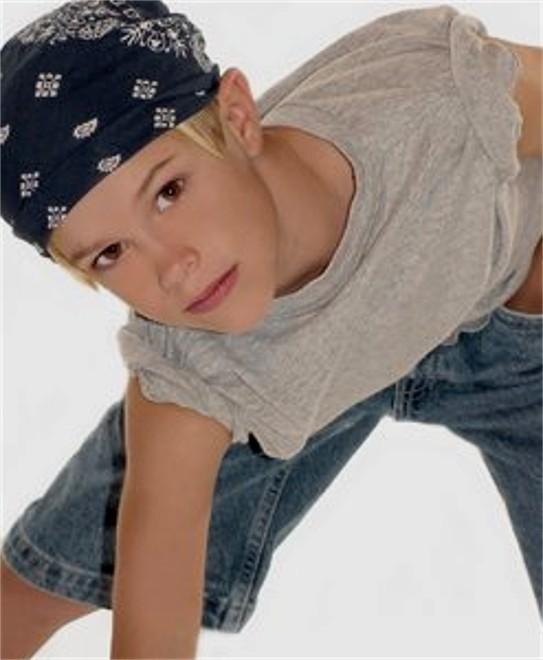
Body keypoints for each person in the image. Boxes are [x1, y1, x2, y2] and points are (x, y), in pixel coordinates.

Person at [1, 1, 541, 657]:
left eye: (168, 191)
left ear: (237, 118)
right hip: (278, 377)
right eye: (111, 253)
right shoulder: (191, 374)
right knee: (27, 593)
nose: (173, 266)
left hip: (509, 329)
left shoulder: (432, 98)